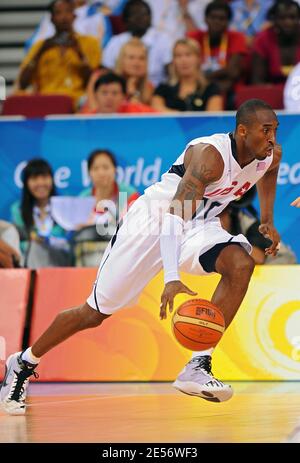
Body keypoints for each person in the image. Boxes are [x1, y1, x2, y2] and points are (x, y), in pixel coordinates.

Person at [0, 99, 281, 415]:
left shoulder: (268, 153)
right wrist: (172, 278)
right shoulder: (209, 158)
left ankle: (198, 364)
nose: (271, 138)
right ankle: (24, 362)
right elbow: (173, 219)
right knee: (94, 312)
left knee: (240, 263)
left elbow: (269, 171)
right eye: (265, 130)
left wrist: (266, 220)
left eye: (274, 130)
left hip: (199, 225)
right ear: (242, 131)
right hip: (152, 223)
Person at [16, 0, 101, 105]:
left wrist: (79, 52)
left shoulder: (90, 43)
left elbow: (93, 83)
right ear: (51, 19)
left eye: (68, 11)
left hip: (78, 101)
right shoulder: (40, 46)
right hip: (46, 101)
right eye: (58, 13)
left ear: (74, 16)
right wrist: (39, 53)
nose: (64, 17)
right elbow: (23, 83)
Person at [11, 159, 71, 268]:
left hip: (61, 263)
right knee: (35, 246)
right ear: (26, 183)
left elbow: (70, 242)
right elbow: (16, 244)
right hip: (29, 265)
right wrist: (32, 242)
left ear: (52, 179)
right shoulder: (18, 210)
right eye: (34, 178)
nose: (40, 183)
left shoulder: (64, 207)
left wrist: (49, 241)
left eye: (44, 177)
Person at [188, 0, 248, 107]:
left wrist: (204, 79)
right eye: (213, 17)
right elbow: (188, 69)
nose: (217, 22)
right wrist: (219, 75)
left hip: (229, 90)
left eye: (222, 19)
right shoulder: (194, 37)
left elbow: (233, 72)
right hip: (199, 87)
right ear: (205, 19)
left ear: (228, 21)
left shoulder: (237, 38)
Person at [102, 0, 173, 86]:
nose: (139, 18)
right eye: (134, 14)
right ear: (125, 20)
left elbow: (172, 74)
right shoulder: (115, 41)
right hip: (121, 91)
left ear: (150, 18)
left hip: (156, 91)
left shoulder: (163, 40)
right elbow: (106, 72)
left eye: (143, 14)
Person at [152, 38, 223, 112]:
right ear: (173, 61)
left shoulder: (211, 89)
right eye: (178, 56)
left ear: (198, 59)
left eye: (188, 55)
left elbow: (214, 116)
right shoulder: (163, 89)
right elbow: (156, 110)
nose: (183, 60)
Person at [251, 0, 300, 85]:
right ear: (273, 19)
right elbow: (257, 81)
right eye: (282, 18)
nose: (288, 22)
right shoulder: (262, 39)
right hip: (270, 93)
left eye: (292, 17)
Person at [79, 72, 156, 113]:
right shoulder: (86, 119)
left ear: (123, 96)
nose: (109, 98)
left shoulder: (136, 112)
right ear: (96, 95)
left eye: (115, 93)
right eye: (104, 93)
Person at [115, 38, 153, 105]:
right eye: (131, 57)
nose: (136, 63)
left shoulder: (149, 88)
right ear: (122, 61)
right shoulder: (107, 83)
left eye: (141, 58)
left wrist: (134, 92)